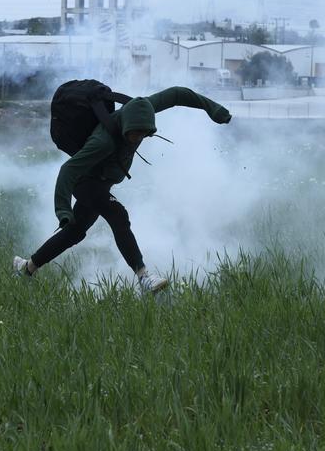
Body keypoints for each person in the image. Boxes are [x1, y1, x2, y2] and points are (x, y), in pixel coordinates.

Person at [13, 86, 231, 295]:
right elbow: (67, 170)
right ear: (127, 126)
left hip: (102, 184)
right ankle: (144, 277)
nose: (139, 138)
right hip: (86, 183)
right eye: (135, 134)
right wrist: (63, 210)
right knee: (118, 215)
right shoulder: (102, 141)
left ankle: (27, 267)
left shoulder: (143, 109)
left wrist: (212, 108)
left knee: (75, 233)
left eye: (144, 134)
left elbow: (177, 94)